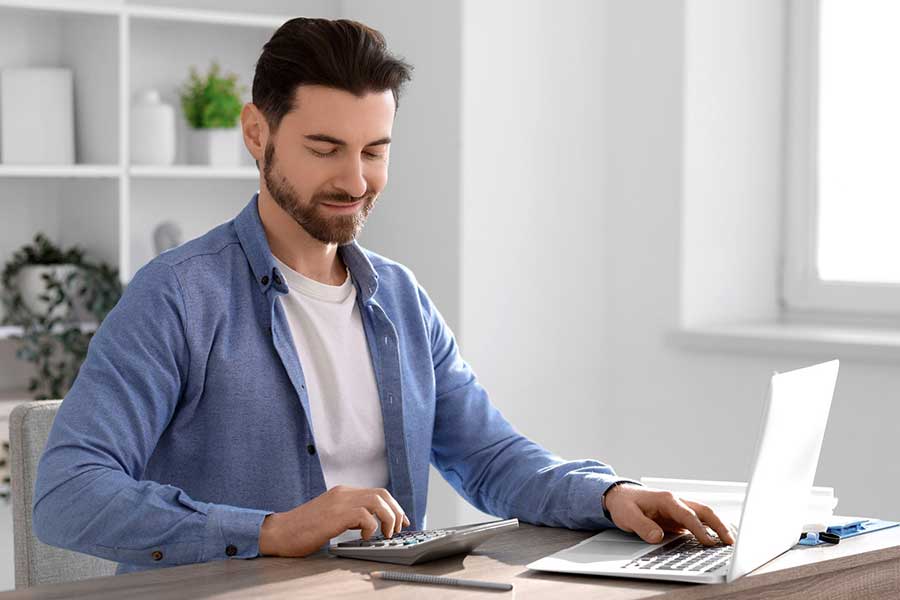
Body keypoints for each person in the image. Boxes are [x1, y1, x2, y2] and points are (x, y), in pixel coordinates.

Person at [32, 17, 734, 575]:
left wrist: (608, 496)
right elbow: (66, 495)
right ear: (257, 134)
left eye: (374, 150)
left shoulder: (398, 298)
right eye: (325, 147)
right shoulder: (177, 298)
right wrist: (273, 530)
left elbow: (489, 459)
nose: (355, 180)